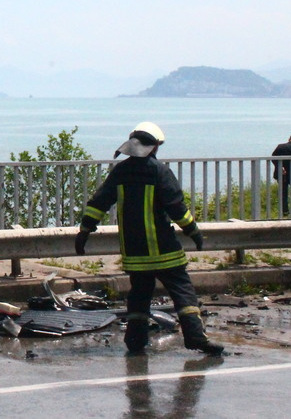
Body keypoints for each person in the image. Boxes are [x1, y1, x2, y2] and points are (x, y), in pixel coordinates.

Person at [74, 122, 223, 356]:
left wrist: (84, 230)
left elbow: (99, 203)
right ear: (155, 147)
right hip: (164, 250)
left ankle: (135, 341)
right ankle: (195, 337)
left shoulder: (120, 171)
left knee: (139, 294)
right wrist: (193, 231)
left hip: (134, 252)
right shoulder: (160, 171)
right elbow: (176, 208)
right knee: (183, 292)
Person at [271, 133, 291, 216]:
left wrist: (280, 166)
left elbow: (273, 158)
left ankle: (284, 211)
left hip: (282, 174)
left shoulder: (280, 147)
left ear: (289, 138)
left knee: (283, 194)